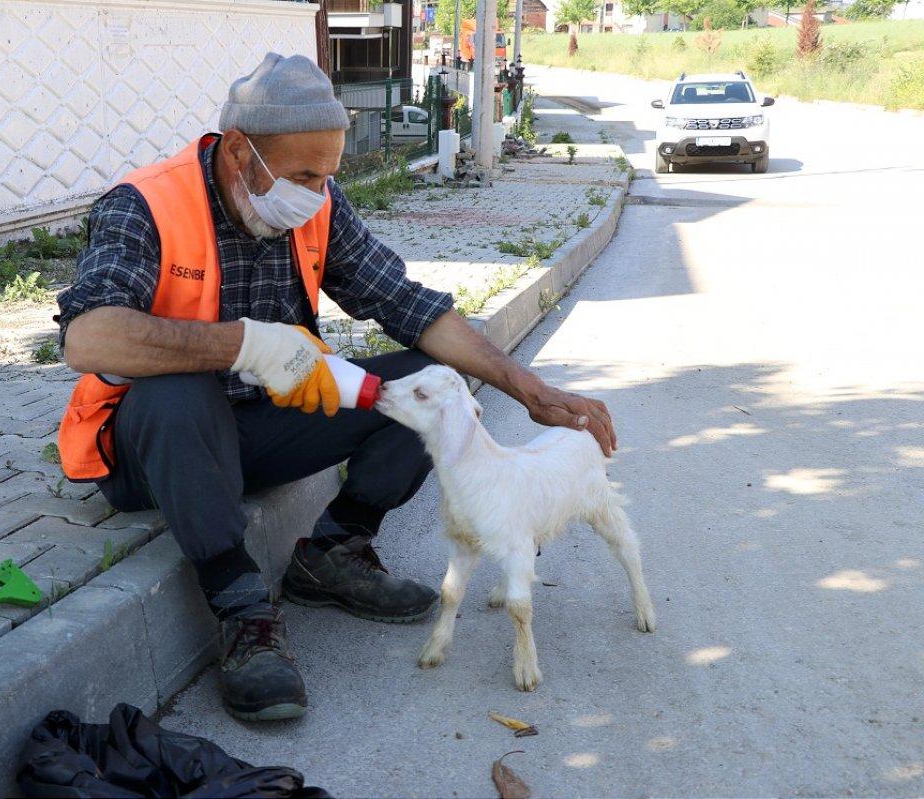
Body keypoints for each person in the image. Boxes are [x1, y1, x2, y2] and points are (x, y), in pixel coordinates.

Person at [55, 52, 616, 722]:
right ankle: (241, 609)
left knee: (430, 382)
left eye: (327, 176)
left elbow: (406, 303)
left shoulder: (315, 202)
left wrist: (528, 388)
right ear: (238, 151)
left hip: (255, 430)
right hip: (155, 450)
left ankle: (332, 552)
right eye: (303, 176)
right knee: (177, 392)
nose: (317, 194)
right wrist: (246, 344)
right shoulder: (145, 205)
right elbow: (87, 338)